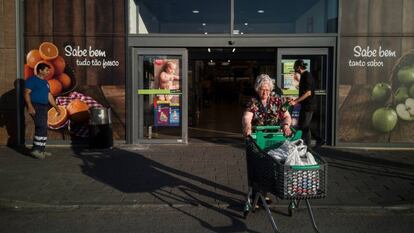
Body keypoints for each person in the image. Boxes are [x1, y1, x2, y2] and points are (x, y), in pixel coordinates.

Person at [24, 63, 61, 159]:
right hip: (36, 106)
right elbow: (26, 93)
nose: (48, 72)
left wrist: (56, 107)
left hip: (44, 107)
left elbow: (49, 96)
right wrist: (30, 106)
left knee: (43, 127)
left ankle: (40, 149)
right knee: (41, 126)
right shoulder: (32, 80)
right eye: (46, 70)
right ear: (40, 70)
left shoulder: (46, 82)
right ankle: (36, 150)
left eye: (48, 70)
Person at [289, 59, 325, 148]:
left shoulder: (307, 76)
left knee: (304, 126)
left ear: (298, 67)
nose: (294, 70)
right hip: (305, 105)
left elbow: (308, 93)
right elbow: (304, 92)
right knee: (303, 125)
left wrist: (296, 101)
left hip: (309, 105)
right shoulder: (304, 76)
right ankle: (310, 142)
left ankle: (309, 145)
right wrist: (295, 99)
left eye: (295, 68)